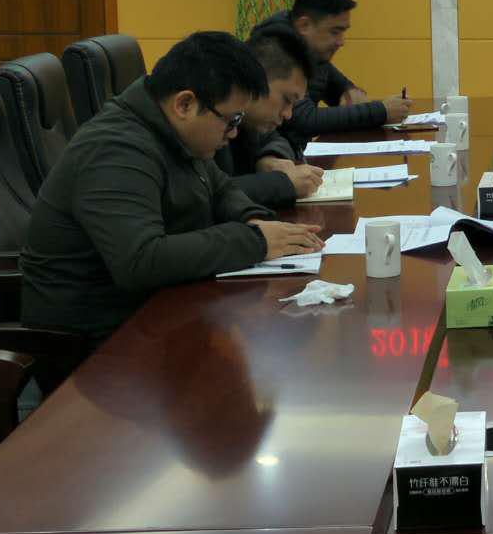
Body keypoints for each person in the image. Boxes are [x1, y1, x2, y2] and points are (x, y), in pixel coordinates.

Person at [22, 31, 324, 345]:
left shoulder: (170, 130)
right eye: (231, 120)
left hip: (152, 313)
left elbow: (221, 188)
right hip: (91, 344)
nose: (234, 134)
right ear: (185, 104)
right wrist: (254, 240)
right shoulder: (115, 150)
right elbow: (141, 261)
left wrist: (252, 219)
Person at [254, 0, 412, 148]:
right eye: (335, 32)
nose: (341, 42)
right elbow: (303, 119)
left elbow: (334, 82)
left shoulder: (311, 50)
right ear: (304, 25)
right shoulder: (278, 50)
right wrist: (381, 111)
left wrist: (347, 89)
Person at [214, 21, 325, 208]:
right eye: (286, 99)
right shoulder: (210, 118)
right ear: (258, 78)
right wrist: (282, 184)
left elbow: (274, 138)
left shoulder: (249, 120)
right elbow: (206, 195)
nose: (288, 114)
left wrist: (270, 158)